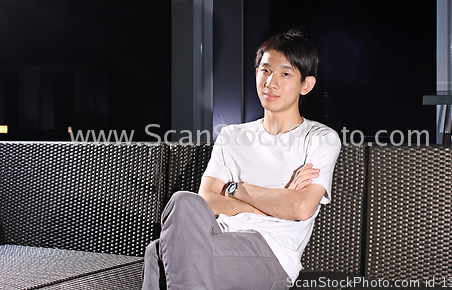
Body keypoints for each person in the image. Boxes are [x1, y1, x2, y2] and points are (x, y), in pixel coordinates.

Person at [142, 29, 341, 290]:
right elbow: (208, 201)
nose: (271, 82)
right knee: (184, 200)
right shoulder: (232, 135)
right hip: (217, 235)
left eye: (285, 73)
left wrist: (237, 189)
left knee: (158, 252)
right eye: (265, 70)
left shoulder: (319, 138)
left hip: (272, 251)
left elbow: (301, 208)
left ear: (306, 85)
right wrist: (277, 202)